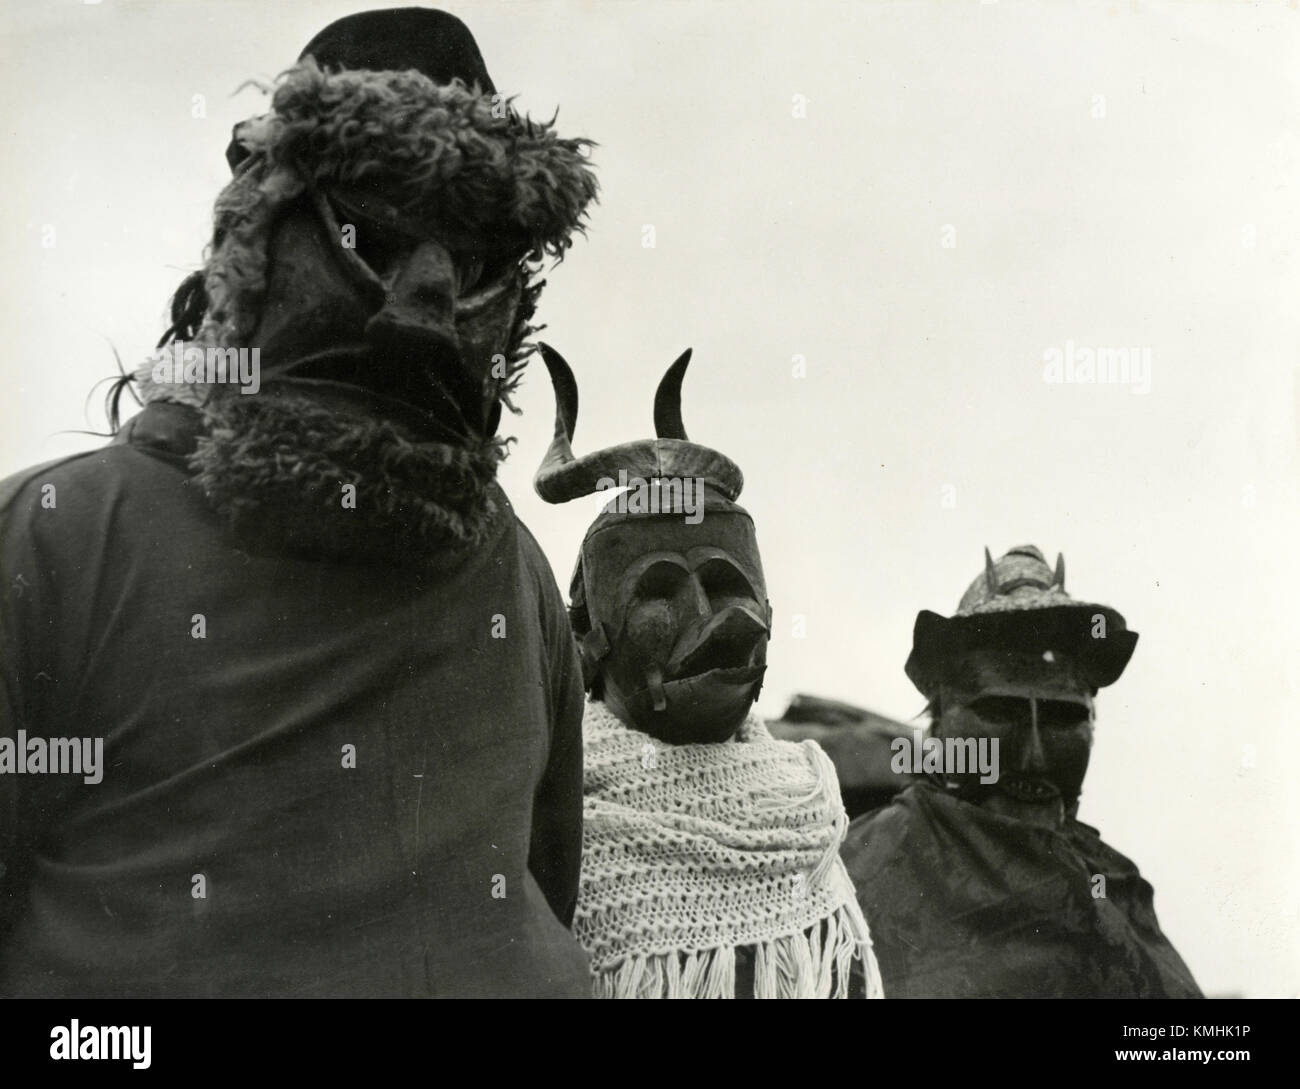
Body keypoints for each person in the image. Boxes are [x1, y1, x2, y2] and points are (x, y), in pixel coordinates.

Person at [0, 8, 598, 998]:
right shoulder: (58, 542)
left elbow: (541, 880)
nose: (424, 309)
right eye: (371, 233)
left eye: (474, 261)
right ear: (262, 239)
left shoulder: (512, 573)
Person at [533, 344, 883, 998]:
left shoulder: (809, 808)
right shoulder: (554, 826)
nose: (709, 615)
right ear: (584, 638)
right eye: (659, 589)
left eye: (727, 583)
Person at [841, 545, 1202, 998]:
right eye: (1001, 713)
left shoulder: (1111, 887)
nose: (1033, 757)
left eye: (1061, 719)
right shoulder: (852, 876)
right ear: (942, 717)